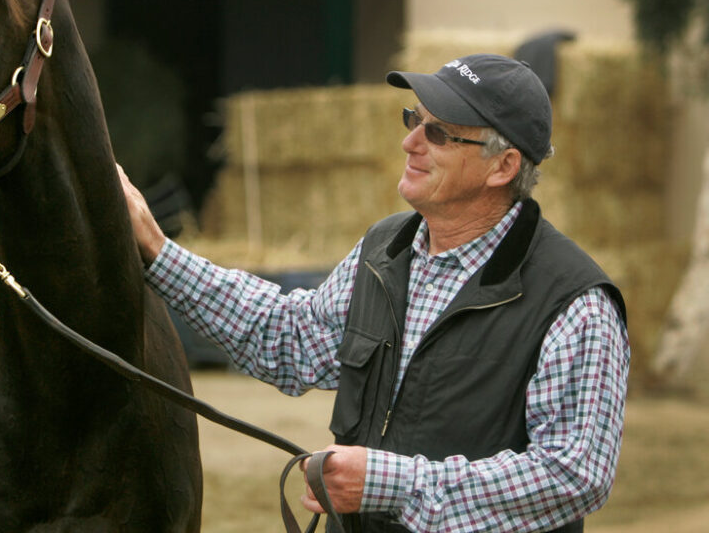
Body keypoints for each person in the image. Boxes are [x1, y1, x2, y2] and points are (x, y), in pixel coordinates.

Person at [118, 53, 629, 533]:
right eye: (414, 119)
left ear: (504, 167)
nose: (411, 143)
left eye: (440, 133)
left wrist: (389, 484)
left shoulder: (577, 302)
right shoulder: (386, 248)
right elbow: (291, 339)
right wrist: (158, 251)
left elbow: (572, 475)